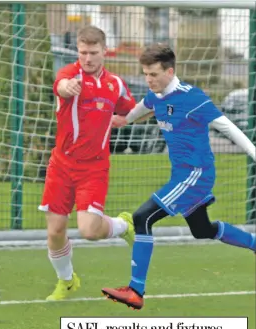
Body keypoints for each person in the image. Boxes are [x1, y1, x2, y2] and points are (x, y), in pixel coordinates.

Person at [101, 44, 256, 310]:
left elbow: (228, 128)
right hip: (184, 174)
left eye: (153, 74)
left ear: (170, 71)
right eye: (145, 74)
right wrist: (116, 119)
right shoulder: (155, 96)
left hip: (195, 175)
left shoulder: (192, 98)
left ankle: (136, 290)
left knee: (142, 217)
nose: (148, 79)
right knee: (202, 230)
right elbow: (134, 114)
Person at [38, 26, 136, 301]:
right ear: (77, 51)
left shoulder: (115, 84)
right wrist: (67, 88)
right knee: (55, 231)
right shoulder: (70, 75)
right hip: (62, 164)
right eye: (83, 53)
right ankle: (67, 281)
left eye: (93, 53)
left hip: (94, 168)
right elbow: (61, 86)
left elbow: (134, 109)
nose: (88, 58)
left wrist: (125, 119)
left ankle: (122, 225)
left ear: (104, 51)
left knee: (89, 230)